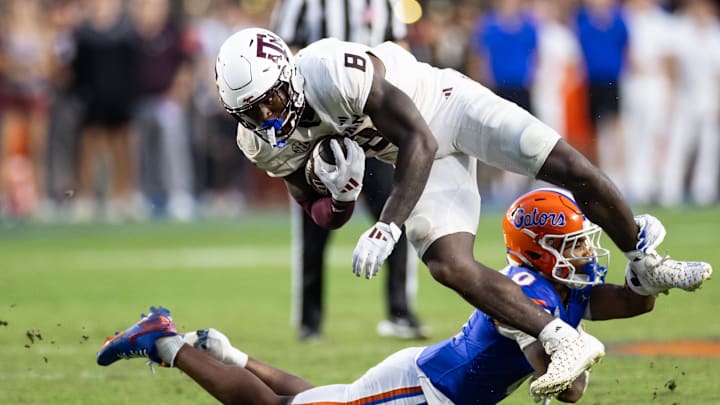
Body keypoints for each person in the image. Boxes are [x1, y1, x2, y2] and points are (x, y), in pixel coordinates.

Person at [213, 27, 712, 395]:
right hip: (413, 158)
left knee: (566, 164)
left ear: (288, 70)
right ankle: (558, 337)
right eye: (251, 111)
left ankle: (643, 259)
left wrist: (387, 223)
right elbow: (316, 211)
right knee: (447, 264)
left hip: (445, 108)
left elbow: (419, 138)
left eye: (271, 98)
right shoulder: (259, 142)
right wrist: (341, 199)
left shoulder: (330, 70)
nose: (267, 117)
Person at [97, 188, 689, 404]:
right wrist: (576, 344)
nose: (588, 254)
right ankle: (166, 342)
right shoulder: (525, 294)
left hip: (428, 385)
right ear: (540, 251)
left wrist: (647, 276)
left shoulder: (559, 286)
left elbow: (629, 303)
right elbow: (571, 391)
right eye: (576, 245)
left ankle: (227, 353)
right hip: (426, 392)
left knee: (327, 399)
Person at [270, 0, 424, 341]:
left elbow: (398, 48)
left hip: (371, 120)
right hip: (319, 124)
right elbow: (282, 55)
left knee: (395, 211)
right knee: (314, 226)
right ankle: (310, 321)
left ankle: (400, 310)